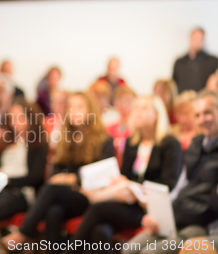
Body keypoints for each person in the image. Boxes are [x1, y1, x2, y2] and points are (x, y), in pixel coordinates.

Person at [1, 92, 114, 254]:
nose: (74, 111)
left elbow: (102, 175)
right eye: (70, 107)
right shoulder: (67, 137)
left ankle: (23, 233)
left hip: (92, 196)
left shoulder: (104, 139)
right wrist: (69, 180)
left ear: (91, 110)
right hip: (70, 195)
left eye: (80, 107)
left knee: (52, 190)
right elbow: (56, 172)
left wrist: (72, 178)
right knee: (53, 211)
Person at [68, 95, 182, 254]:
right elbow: (125, 175)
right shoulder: (132, 142)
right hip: (129, 201)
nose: (138, 113)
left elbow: (168, 184)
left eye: (144, 108)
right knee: (100, 230)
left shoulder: (169, 143)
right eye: (136, 108)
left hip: (150, 206)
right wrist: (124, 184)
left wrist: (134, 187)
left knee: (98, 209)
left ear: (156, 114)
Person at [123, 90, 218, 254]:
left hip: (201, 223)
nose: (202, 120)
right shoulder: (196, 145)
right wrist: (159, 215)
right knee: (130, 249)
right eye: (197, 115)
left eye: (207, 113)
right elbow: (180, 187)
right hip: (177, 215)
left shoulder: (171, 143)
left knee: (150, 253)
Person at [0, 97, 49, 223]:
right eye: (12, 118)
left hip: (22, 193)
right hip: (0, 188)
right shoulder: (7, 141)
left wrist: (8, 180)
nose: (15, 122)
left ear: (30, 118)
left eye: (19, 117)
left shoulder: (37, 143)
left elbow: (36, 177)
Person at [172, 28, 218, 93]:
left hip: (203, 100)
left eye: (200, 39)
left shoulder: (212, 61)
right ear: (190, 38)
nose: (197, 41)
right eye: (195, 38)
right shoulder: (179, 62)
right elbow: (173, 85)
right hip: (183, 101)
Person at [107, 86, 136, 165]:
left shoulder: (137, 128)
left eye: (128, 101)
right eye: (119, 100)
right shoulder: (109, 128)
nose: (123, 104)